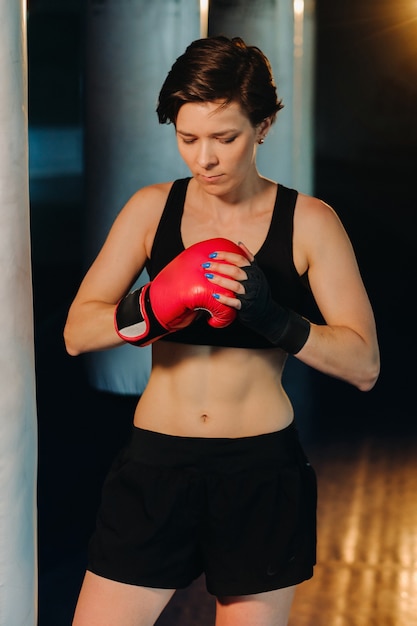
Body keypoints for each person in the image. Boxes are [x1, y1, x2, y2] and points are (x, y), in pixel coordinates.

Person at [64, 35, 380, 626]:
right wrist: (155, 304)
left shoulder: (310, 223)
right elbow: (77, 332)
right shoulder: (150, 209)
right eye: (188, 138)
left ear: (263, 126)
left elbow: (364, 364)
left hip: (261, 472)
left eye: (224, 138)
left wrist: (272, 317)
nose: (203, 159)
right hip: (155, 468)